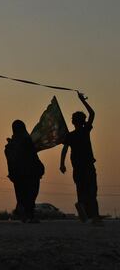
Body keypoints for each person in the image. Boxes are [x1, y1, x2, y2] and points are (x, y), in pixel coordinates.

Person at [60, 91, 101, 224]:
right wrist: (82, 100)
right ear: (83, 122)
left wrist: (62, 164)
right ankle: (94, 217)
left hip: (77, 167)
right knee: (91, 191)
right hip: (87, 165)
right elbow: (92, 114)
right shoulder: (85, 131)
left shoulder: (70, 135)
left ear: (73, 122)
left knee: (81, 189)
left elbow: (64, 149)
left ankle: (84, 211)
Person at [5, 119, 44, 223]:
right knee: (31, 193)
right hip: (30, 172)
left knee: (21, 194)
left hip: (17, 174)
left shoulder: (11, 145)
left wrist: (12, 173)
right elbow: (33, 156)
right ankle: (29, 215)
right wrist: (40, 168)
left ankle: (24, 214)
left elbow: (10, 160)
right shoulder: (26, 141)